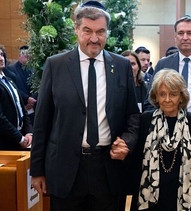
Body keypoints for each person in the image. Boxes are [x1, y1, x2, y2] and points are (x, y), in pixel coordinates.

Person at [30, 2, 140, 211]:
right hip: (65, 170)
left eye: (100, 31)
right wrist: (37, 170)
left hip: (107, 168)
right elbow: (42, 121)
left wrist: (127, 141)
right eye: (87, 31)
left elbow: (132, 115)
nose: (94, 38)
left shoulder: (122, 65)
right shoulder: (56, 65)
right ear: (76, 30)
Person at [136, 69, 191, 211]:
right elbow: (137, 159)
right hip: (151, 194)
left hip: (183, 193)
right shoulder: (145, 120)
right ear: (155, 96)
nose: (167, 99)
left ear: (181, 96)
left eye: (173, 94)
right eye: (162, 94)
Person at [0, 47, 33, 150]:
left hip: (21, 137)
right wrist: (20, 138)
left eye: (1, 54)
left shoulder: (9, 80)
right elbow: (0, 118)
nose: (1, 58)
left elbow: (22, 109)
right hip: (5, 143)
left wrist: (28, 132)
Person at [6, 45, 37, 125]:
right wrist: (27, 99)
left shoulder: (34, 69)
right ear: (19, 55)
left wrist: (32, 99)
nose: (28, 57)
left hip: (34, 105)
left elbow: (37, 86)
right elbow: (13, 87)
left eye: (29, 55)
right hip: (21, 105)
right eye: (25, 55)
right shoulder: (10, 69)